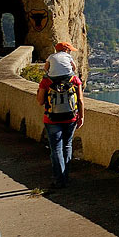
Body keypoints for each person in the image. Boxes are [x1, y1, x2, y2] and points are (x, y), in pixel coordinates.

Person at [36, 59, 84, 188]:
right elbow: (80, 100)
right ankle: (66, 176)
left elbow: (40, 101)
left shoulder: (46, 81)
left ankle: (59, 180)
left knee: (56, 148)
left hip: (51, 119)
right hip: (71, 118)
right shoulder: (74, 80)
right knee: (67, 146)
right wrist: (81, 117)